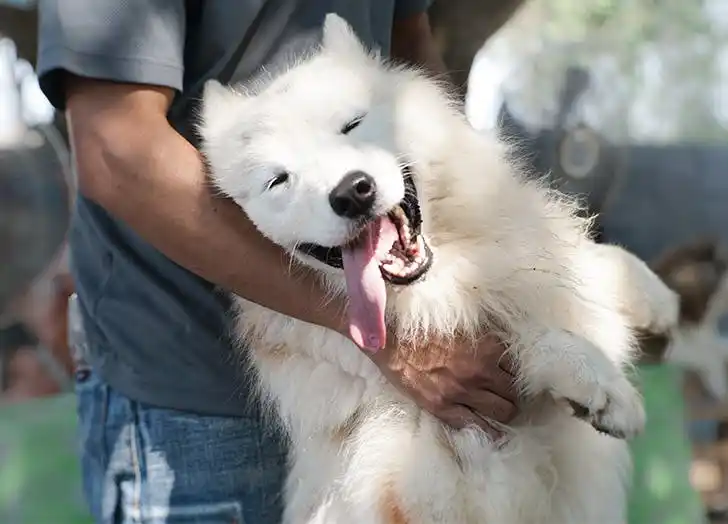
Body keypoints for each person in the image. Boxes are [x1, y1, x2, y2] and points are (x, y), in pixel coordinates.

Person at [36, 1, 519, 522]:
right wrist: (391, 339)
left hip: (406, 388)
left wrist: (506, 257)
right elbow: (118, 151)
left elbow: (406, 49)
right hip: (204, 409)